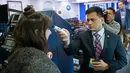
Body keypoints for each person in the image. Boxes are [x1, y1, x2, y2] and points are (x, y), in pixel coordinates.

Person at [57, 7, 127, 73]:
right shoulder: (83, 35)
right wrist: (67, 41)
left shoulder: (114, 38)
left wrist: (107, 66)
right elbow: (70, 51)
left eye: (93, 20)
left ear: (102, 20)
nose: (89, 23)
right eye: (88, 20)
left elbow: (123, 60)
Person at [2, 6, 60, 73]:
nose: (50, 32)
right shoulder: (40, 65)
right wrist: (42, 60)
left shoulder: (18, 53)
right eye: (47, 29)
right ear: (37, 33)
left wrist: (43, 57)